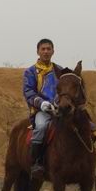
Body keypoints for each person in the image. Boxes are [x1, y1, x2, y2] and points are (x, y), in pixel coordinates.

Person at [23, 38, 61, 179]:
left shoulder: (60, 70)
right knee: (40, 127)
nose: (46, 51)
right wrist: (42, 104)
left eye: (48, 49)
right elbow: (28, 92)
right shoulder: (30, 72)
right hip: (41, 110)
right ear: (38, 51)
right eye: (43, 49)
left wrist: (59, 103)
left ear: (53, 51)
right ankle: (36, 163)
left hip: (59, 109)